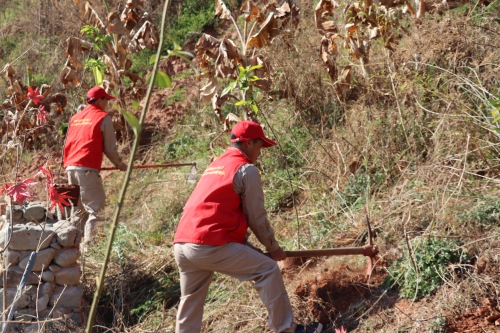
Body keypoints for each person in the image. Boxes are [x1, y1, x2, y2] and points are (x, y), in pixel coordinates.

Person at [173, 120, 323, 333]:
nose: (260, 153)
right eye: (260, 146)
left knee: (191, 300)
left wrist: (246, 245)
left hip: (182, 244)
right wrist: (273, 247)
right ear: (249, 143)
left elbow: (217, 211)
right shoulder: (245, 170)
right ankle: (288, 329)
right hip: (209, 243)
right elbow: (256, 217)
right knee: (268, 270)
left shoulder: (216, 165)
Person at [63, 86, 127, 247]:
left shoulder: (75, 118)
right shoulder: (102, 117)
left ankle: (72, 249)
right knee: (95, 209)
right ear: (99, 100)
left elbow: (68, 144)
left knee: (78, 211)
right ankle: (90, 249)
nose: (107, 103)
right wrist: (119, 164)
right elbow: (110, 148)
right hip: (86, 169)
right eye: (106, 100)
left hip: (70, 168)